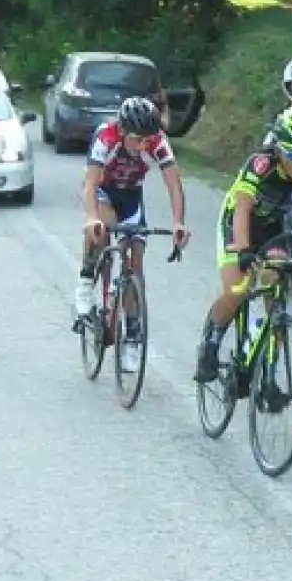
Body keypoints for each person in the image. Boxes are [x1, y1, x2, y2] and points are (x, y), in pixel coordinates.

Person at [194, 108, 292, 383]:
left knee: (275, 295)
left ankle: (268, 376)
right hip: (238, 223)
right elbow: (242, 208)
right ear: (279, 149)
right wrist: (241, 250)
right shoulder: (260, 164)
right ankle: (211, 341)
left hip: (273, 228)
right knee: (236, 290)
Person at [77, 96, 191, 374]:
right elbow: (90, 184)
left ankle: (132, 339)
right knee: (102, 227)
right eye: (137, 140)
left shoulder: (157, 141)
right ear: (123, 131)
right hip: (104, 192)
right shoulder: (106, 137)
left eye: (147, 140)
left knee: (135, 264)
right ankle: (85, 282)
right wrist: (92, 217)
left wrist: (178, 223)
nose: (143, 146)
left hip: (131, 197)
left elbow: (175, 185)